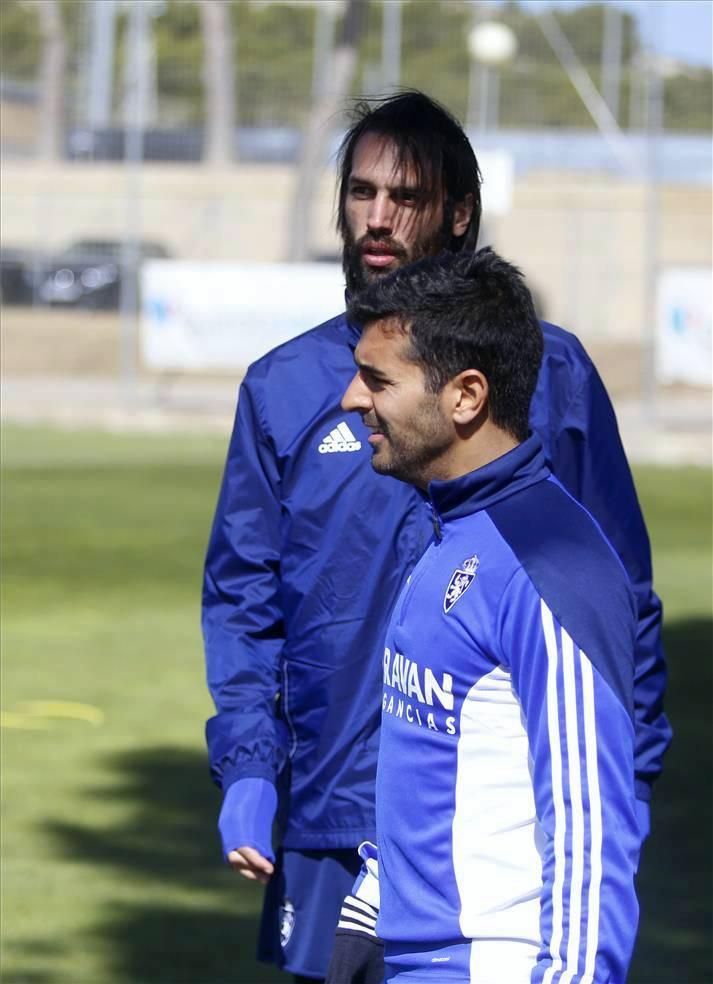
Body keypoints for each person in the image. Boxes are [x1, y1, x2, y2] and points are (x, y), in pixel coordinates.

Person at [202, 91, 669, 983]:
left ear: (458, 213)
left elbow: (617, 601)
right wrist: (251, 768)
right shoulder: (281, 387)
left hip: (497, 824)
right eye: (360, 192)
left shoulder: (551, 373)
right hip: (334, 819)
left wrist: (627, 790)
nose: (376, 218)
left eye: (405, 197)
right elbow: (242, 595)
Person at [329, 246, 641, 984]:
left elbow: (589, 834)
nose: (351, 398)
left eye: (378, 379)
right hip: (406, 956)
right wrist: (374, 909)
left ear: (465, 396)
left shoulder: (547, 562)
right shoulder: (454, 530)